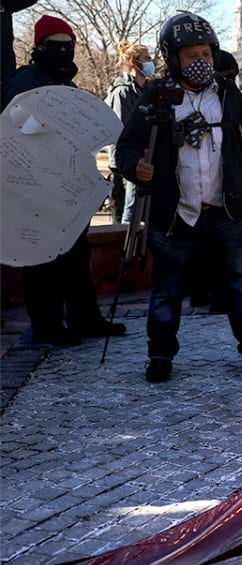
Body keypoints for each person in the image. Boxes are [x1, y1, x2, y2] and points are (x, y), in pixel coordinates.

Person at [115, 11, 242, 383]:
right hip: (175, 214)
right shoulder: (155, 96)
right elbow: (126, 148)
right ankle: (160, 355)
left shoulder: (229, 95)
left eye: (205, 54)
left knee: (240, 285)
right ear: (174, 58)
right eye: (191, 56)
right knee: (167, 290)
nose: (200, 62)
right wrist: (136, 166)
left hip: (225, 210)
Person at [3, 14, 126, 345]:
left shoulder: (66, 85)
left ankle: (85, 318)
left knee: (75, 256)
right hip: (34, 190)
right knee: (41, 261)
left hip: (67, 189)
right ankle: (47, 326)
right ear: (39, 46)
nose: (64, 52)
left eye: (69, 46)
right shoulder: (24, 82)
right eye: (56, 46)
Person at [105, 41, 154, 229]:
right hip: (131, 161)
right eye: (147, 59)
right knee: (131, 209)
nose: (151, 62)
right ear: (135, 63)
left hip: (147, 157)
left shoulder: (149, 91)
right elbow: (121, 130)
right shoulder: (122, 92)